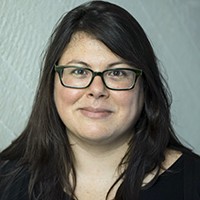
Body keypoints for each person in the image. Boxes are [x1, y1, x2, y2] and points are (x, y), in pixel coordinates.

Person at [0, 1, 200, 200]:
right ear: (52, 82)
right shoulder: (5, 180)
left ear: (145, 87)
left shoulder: (193, 182)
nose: (97, 90)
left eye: (117, 72)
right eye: (79, 71)